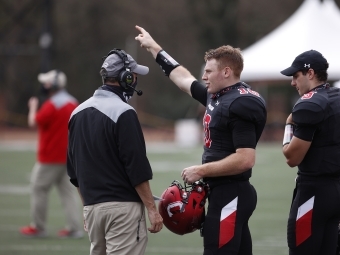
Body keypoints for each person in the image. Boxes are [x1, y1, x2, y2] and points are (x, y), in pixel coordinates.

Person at [135, 26, 267, 255]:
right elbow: (182, 78)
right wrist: (154, 48)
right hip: (223, 192)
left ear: (226, 72)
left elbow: (246, 159)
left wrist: (201, 170)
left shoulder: (240, 103)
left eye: (208, 71)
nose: (203, 77)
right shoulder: (218, 95)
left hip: (231, 193)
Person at [67, 48, 163, 255]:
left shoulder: (76, 113)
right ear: (126, 77)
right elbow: (136, 168)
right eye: (134, 74)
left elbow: (74, 172)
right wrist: (152, 209)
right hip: (123, 210)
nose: (136, 78)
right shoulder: (124, 112)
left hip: (92, 208)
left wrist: (87, 208)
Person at [281, 50, 340, 255]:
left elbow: (292, 157)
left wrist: (289, 125)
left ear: (311, 73)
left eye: (296, 76)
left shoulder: (310, 103)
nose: (292, 82)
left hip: (314, 192)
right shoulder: (336, 96)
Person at [20, 70, 83, 238]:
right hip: (69, 156)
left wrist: (32, 107)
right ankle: (74, 227)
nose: (44, 86)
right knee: (68, 192)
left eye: (47, 83)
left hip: (50, 156)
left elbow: (33, 122)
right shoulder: (73, 102)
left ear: (54, 85)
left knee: (38, 188)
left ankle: (38, 227)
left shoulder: (51, 105)